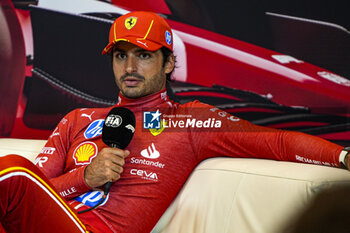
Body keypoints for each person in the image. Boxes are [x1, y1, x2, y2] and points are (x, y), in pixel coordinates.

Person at [1, 11, 350, 233]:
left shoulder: (190, 122)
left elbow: (278, 142)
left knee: (12, 170)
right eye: (121, 56)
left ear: (169, 64)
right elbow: (35, 188)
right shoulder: (78, 119)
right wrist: (85, 177)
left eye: (144, 55)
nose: (130, 67)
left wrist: (344, 158)